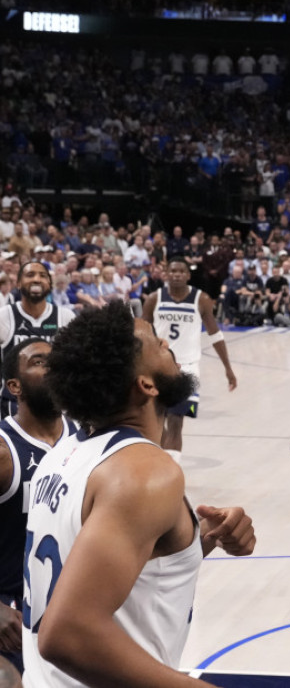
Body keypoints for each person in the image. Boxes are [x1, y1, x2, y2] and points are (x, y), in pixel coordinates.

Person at [21, 303, 255, 687]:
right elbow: (67, 634)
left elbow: (93, 559)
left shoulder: (63, 454)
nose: (166, 341)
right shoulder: (144, 473)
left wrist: (193, 540)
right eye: (154, 342)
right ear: (146, 385)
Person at [0, 339, 79, 675]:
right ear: (14, 386)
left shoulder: (89, 438)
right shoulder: (5, 452)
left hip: (74, 610)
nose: (53, 366)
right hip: (12, 615)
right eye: (39, 361)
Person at [142, 256, 237, 462]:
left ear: (188, 275)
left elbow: (215, 334)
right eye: (172, 271)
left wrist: (228, 368)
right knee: (158, 421)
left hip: (188, 369)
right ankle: (164, 464)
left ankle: (172, 469)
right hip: (158, 367)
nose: (176, 275)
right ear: (166, 274)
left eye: (180, 271)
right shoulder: (154, 299)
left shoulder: (201, 299)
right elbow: (141, 334)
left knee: (176, 421)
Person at [0, 262, 76, 418]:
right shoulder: (4, 316)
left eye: (43, 276)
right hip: (12, 406)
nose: (36, 279)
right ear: (18, 283)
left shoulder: (66, 317)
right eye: (30, 275)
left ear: (49, 284)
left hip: (56, 405)